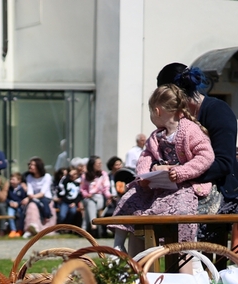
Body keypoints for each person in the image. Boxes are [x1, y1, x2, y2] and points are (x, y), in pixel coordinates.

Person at [110, 84, 214, 253]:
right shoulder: (156, 136)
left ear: (156, 111)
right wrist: (143, 176)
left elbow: (206, 155)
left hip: (183, 185)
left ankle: (188, 250)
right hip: (157, 186)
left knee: (182, 208)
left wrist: (182, 172)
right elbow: (146, 156)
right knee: (130, 197)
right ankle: (118, 244)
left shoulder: (190, 130)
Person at [157, 63, 238, 247]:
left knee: (174, 213)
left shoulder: (217, 111)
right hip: (187, 188)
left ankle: (188, 260)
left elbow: (223, 163)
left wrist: (181, 173)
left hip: (222, 191)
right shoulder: (177, 117)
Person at [20, 156, 54, 236]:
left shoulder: (47, 177)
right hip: (33, 198)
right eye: (30, 164)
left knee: (40, 203)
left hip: (45, 198)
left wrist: (29, 198)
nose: (30, 166)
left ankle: (46, 218)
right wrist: (30, 197)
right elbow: (30, 191)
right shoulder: (29, 177)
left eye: (32, 165)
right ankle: (30, 228)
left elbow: (42, 193)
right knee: (31, 206)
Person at [80, 155, 111, 234]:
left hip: (99, 197)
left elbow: (106, 188)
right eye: (98, 163)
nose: (100, 165)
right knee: (90, 203)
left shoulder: (103, 174)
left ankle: (85, 227)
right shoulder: (85, 176)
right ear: (92, 165)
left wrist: (109, 196)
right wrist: (87, 194)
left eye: (101, 163)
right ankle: (93, 226)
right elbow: (82, 188)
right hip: (88, 198)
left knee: (90, 205)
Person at [5, 172, 27, 237]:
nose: (11, 181)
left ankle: (20, 230)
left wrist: (18, 203)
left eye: (13, 179)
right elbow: (6, 198)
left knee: (21, 216)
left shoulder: (21, 190)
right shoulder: (9, 189)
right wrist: (10, 202)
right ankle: (13, 230)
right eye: (11, 179)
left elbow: (23, 199)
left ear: (19, 181)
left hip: (19, 206)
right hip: (11, 206)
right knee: (10, 215)